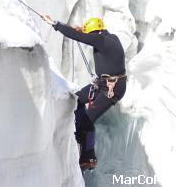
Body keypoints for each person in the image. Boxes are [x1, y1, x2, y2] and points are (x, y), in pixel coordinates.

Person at [42, 15, 127, 171]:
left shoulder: (101, 41)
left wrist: (55, 24)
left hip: (112, 88)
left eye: (90, 34)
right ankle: (78, 130)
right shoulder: (109, 37)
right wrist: (83, 30)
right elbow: (89, 35)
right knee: (77, 100)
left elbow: (77, 36)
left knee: (88, 119)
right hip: (103, 83)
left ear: (95, 32)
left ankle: (88, 157)